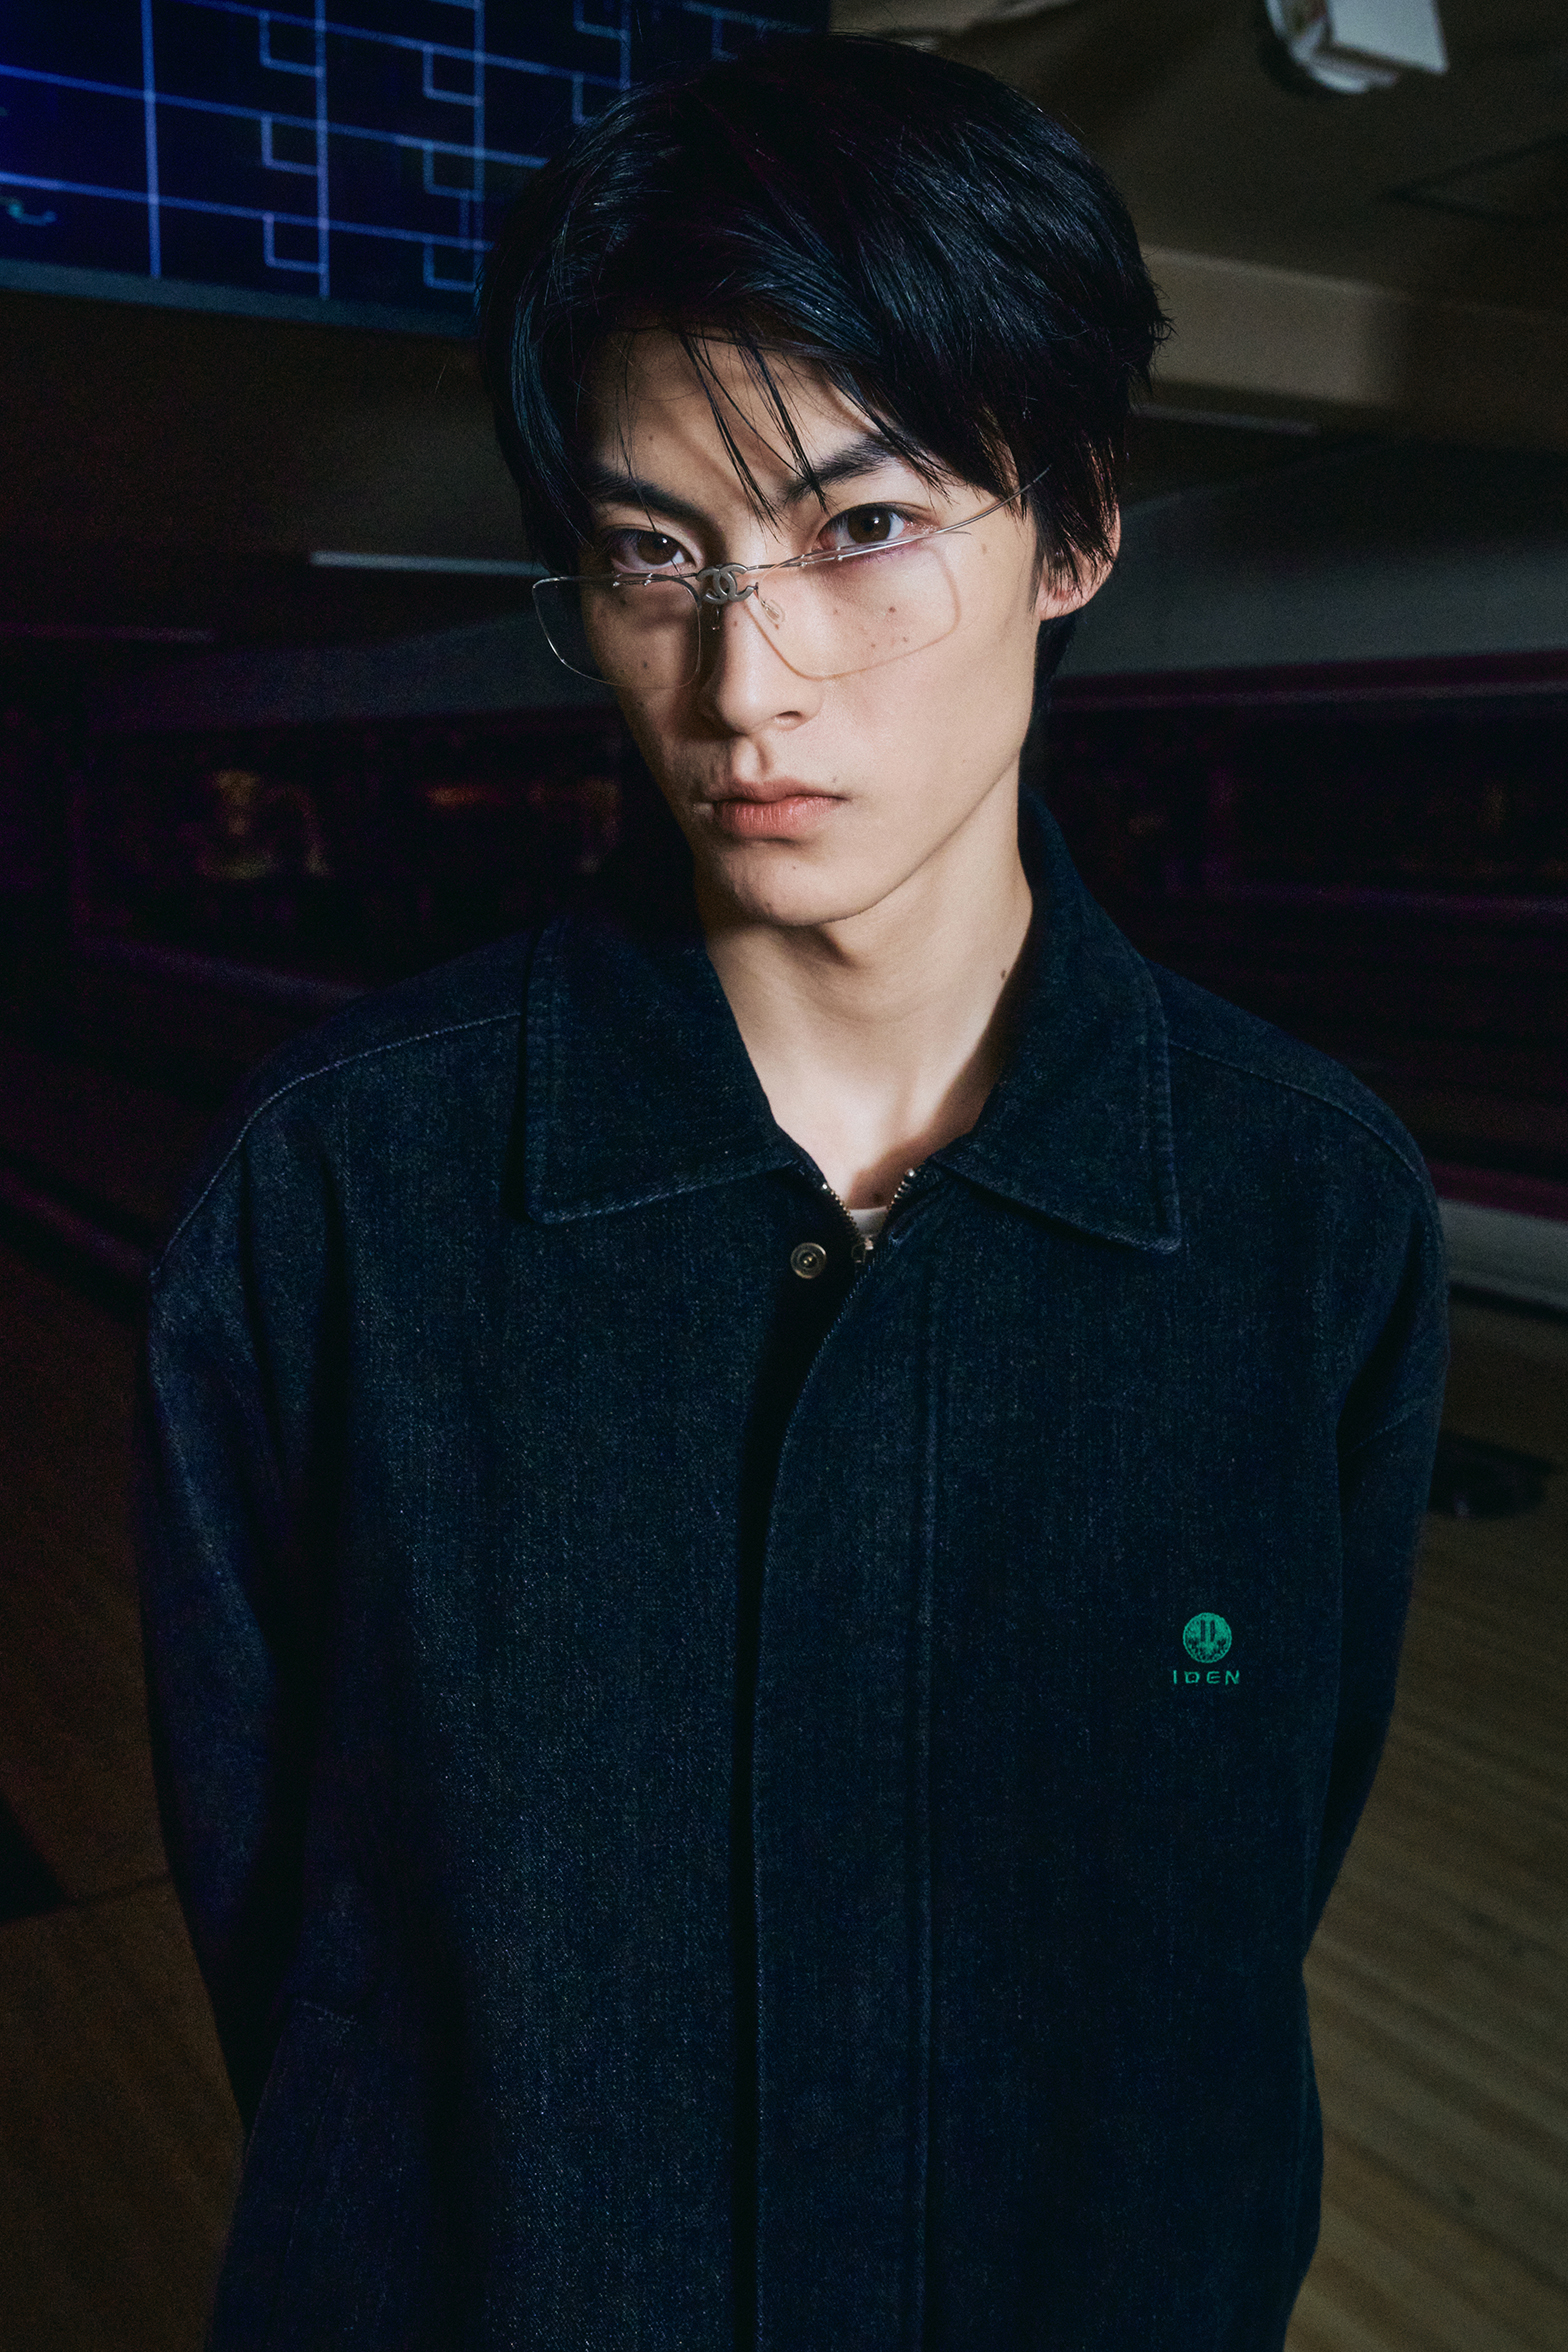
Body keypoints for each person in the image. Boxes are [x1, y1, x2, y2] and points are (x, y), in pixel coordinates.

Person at [135, 33, 1449, 2352]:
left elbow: (1250, 1873)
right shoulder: (336, 1193)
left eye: (859, 531)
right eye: (654, 557)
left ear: (1075, 527)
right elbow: (289, 1939)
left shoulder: (1303, 1210)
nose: (745, 682)